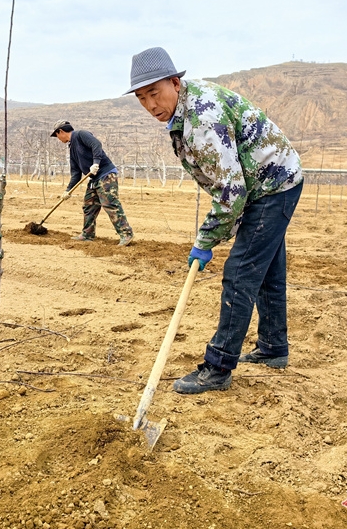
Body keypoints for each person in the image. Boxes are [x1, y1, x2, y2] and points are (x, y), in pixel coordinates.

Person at [125, 47, 304, 394]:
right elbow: (225, 181)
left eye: (154, 93)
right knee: (266, 270)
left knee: (239, 273)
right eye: (142, 98)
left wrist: (205, 240)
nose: (150, 105)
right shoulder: (183, 112)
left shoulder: (203, 117)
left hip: (272, 185)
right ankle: (273, 348)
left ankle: (218, 366)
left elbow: (230, 191)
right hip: (264, 183)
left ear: (175, 83)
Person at [51, 120, 134, 246]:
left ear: (60, 131)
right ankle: (87, 234)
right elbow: (75, 173)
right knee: (89, 205)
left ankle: (126, 234)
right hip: (93, 179)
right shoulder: (72, 148)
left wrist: (96, 163)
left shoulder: (80, 134)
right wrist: (68, 190)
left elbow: (96, 144)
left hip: (106, 174)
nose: (57, 138)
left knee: (110, 203)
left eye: (56, 135)